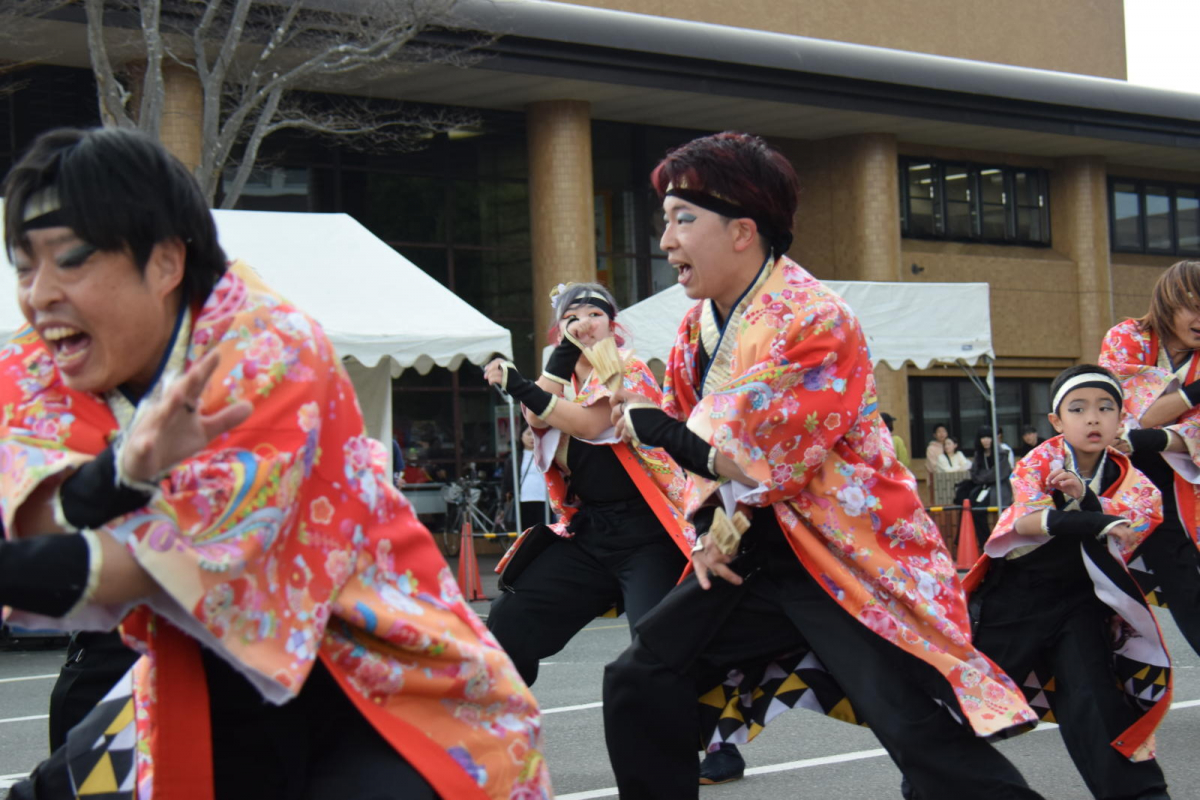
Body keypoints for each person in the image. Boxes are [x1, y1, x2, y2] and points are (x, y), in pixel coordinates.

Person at [0, 127, 549, 800]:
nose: (41, 293)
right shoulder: (35, 364)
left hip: (367, 672)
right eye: (24, 266)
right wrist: (113, 478)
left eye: (72, 261)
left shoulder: (267, 345)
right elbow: (26, 525)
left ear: (166, 261)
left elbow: (177, 561)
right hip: (182, 666)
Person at [602, 131, 1042, 800]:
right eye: (665, 221)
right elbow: (697, 455)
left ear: (743, 230)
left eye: (682, 219)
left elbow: (750, 455)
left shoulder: (816, 318)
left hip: (843, 555)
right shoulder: (697, 329)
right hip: (752, 550)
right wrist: (703, 532)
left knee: (914, 728)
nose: (666, 242)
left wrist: (651, 424)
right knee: (640, 675)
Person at [964, 364, 1173, 800]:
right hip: (1016, 596)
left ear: (1121, 420)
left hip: (1081, 600)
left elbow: (1130, 531)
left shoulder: (1140, 485)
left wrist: (1087, 500)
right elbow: (1028, 519)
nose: (1093, 418)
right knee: (976, 701)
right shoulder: (1040, 460)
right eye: (1078, 409)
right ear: (1057, 422)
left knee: (1096, 702)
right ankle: (933, 785)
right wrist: (1091, 514)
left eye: (1105, 408)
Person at [1099, 259, 1200, 658]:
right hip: (1119, 486)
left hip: (1179, 488)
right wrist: (1193, 397)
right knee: (1098, 600)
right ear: (1169, 300)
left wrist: (1149, 437)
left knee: (1187, 590)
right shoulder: (1127, 336)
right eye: (1194, 305)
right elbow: (1134, 412)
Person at [965, 425, 1014, 549]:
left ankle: (997, 543)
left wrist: (984, 476)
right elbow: (975, 475)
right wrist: (987, 476)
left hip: (999, 489)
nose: (985, 440)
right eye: (982, 438)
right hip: (982, 489)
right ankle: (985, 542)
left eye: (988, 437)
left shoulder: (1001, 453)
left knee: (988, 510)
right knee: (975, 510)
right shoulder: (978, 455)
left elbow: (999, 474)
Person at [501, 424, 550, 528]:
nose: (532, 437)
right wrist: (502, 502)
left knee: (543, 532)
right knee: (525, 533)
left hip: (544, 499)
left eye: (535, 434)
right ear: (521, 436)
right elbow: (506, 481)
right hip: (522, 499)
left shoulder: (547, 455)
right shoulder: (514, 458)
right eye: (528, 434)